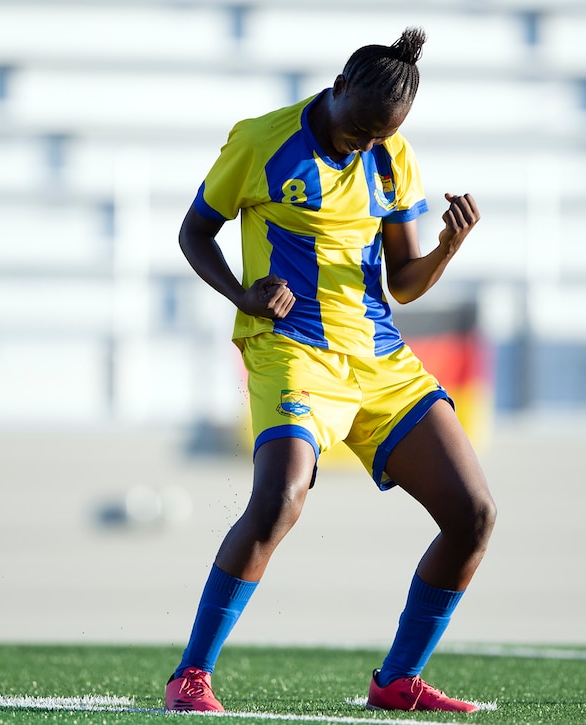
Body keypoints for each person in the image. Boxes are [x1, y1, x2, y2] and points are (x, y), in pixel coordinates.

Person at [166, 27, 496, 714]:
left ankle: (396, 682)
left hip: (380, 362)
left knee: (473, 514)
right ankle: (190, 676)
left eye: (383, 135)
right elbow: (195, 231)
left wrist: (447, 247)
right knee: (280, 500)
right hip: (293, 352)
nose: (367, 143)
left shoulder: (391, 155)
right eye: (362, 129)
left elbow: (403, 283)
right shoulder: (262, 141)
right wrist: (242, 294)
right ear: (337, 88)